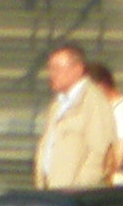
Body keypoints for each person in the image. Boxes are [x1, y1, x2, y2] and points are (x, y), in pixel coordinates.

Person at [34, 43, 112, 189]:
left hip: (74, 192)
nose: (51, 74)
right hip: (50, 189)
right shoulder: (58, 104)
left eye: (57, 68)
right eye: (50, 68)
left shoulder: (93, 101)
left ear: (78, 69)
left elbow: (100, 151)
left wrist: (81, 185)